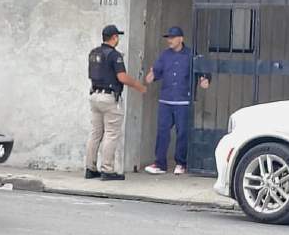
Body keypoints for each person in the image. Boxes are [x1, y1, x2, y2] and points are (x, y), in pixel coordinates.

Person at [143, 26, 210, 175]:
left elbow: (203, 71)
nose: (170, 40)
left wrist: (205, 80)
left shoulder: (191, 55)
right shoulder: (165, 55)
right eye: (168, 38)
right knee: (162, 132)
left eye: (172, 38)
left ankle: (181, 163)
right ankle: (159, 164)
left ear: (181, 39)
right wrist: (151, 76)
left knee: (182, 133)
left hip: (183, 101)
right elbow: (156, 71)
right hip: (166, 100)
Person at [86, 24, 146, 181]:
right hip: (109, 98)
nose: (118, 39)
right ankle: (107, 170)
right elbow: (122, 77)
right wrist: (138, 86)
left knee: (95, 134)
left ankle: (90, 168)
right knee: (111, 134)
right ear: (114, 38)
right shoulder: (115, 55)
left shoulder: (94, 53)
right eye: (117, 36)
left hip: (94, 96)